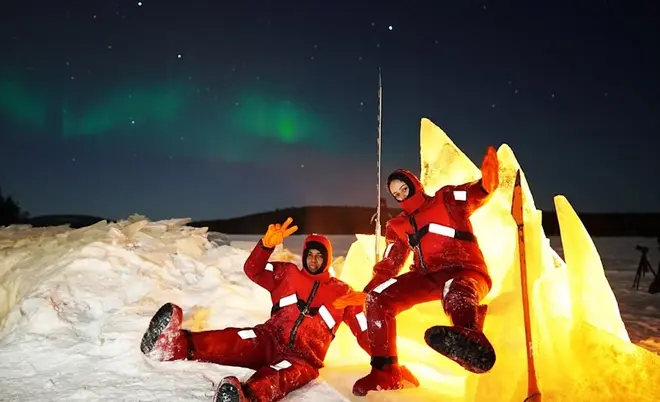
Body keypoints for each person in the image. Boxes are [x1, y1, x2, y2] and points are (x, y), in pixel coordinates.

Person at [140, 217, 417, 402]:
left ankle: (244, 396)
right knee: (231, 339)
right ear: (305, 255)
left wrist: (387, 364)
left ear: (327, 259)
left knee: (279, 375)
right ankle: (171, 345)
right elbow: (253, 270)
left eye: (320, 256)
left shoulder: (342, 292)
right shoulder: (286, 274)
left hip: (303, 360)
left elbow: (367, 335)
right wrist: (265, 246)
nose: (314, 259)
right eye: (310, 254)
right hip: (267, 338)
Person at [333, 145, 500, 396]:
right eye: (396, 194)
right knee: (378, 300)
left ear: (415, 185)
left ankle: (469, 338)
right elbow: (391, 262)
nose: (401, 195)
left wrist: (487, 183)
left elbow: (475, 193)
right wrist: (367, 292)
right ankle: (386, 372)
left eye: (404, 188)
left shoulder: (446, 200)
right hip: (425, 275)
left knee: (455, 290)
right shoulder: (398, 226)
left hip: (465, 270)